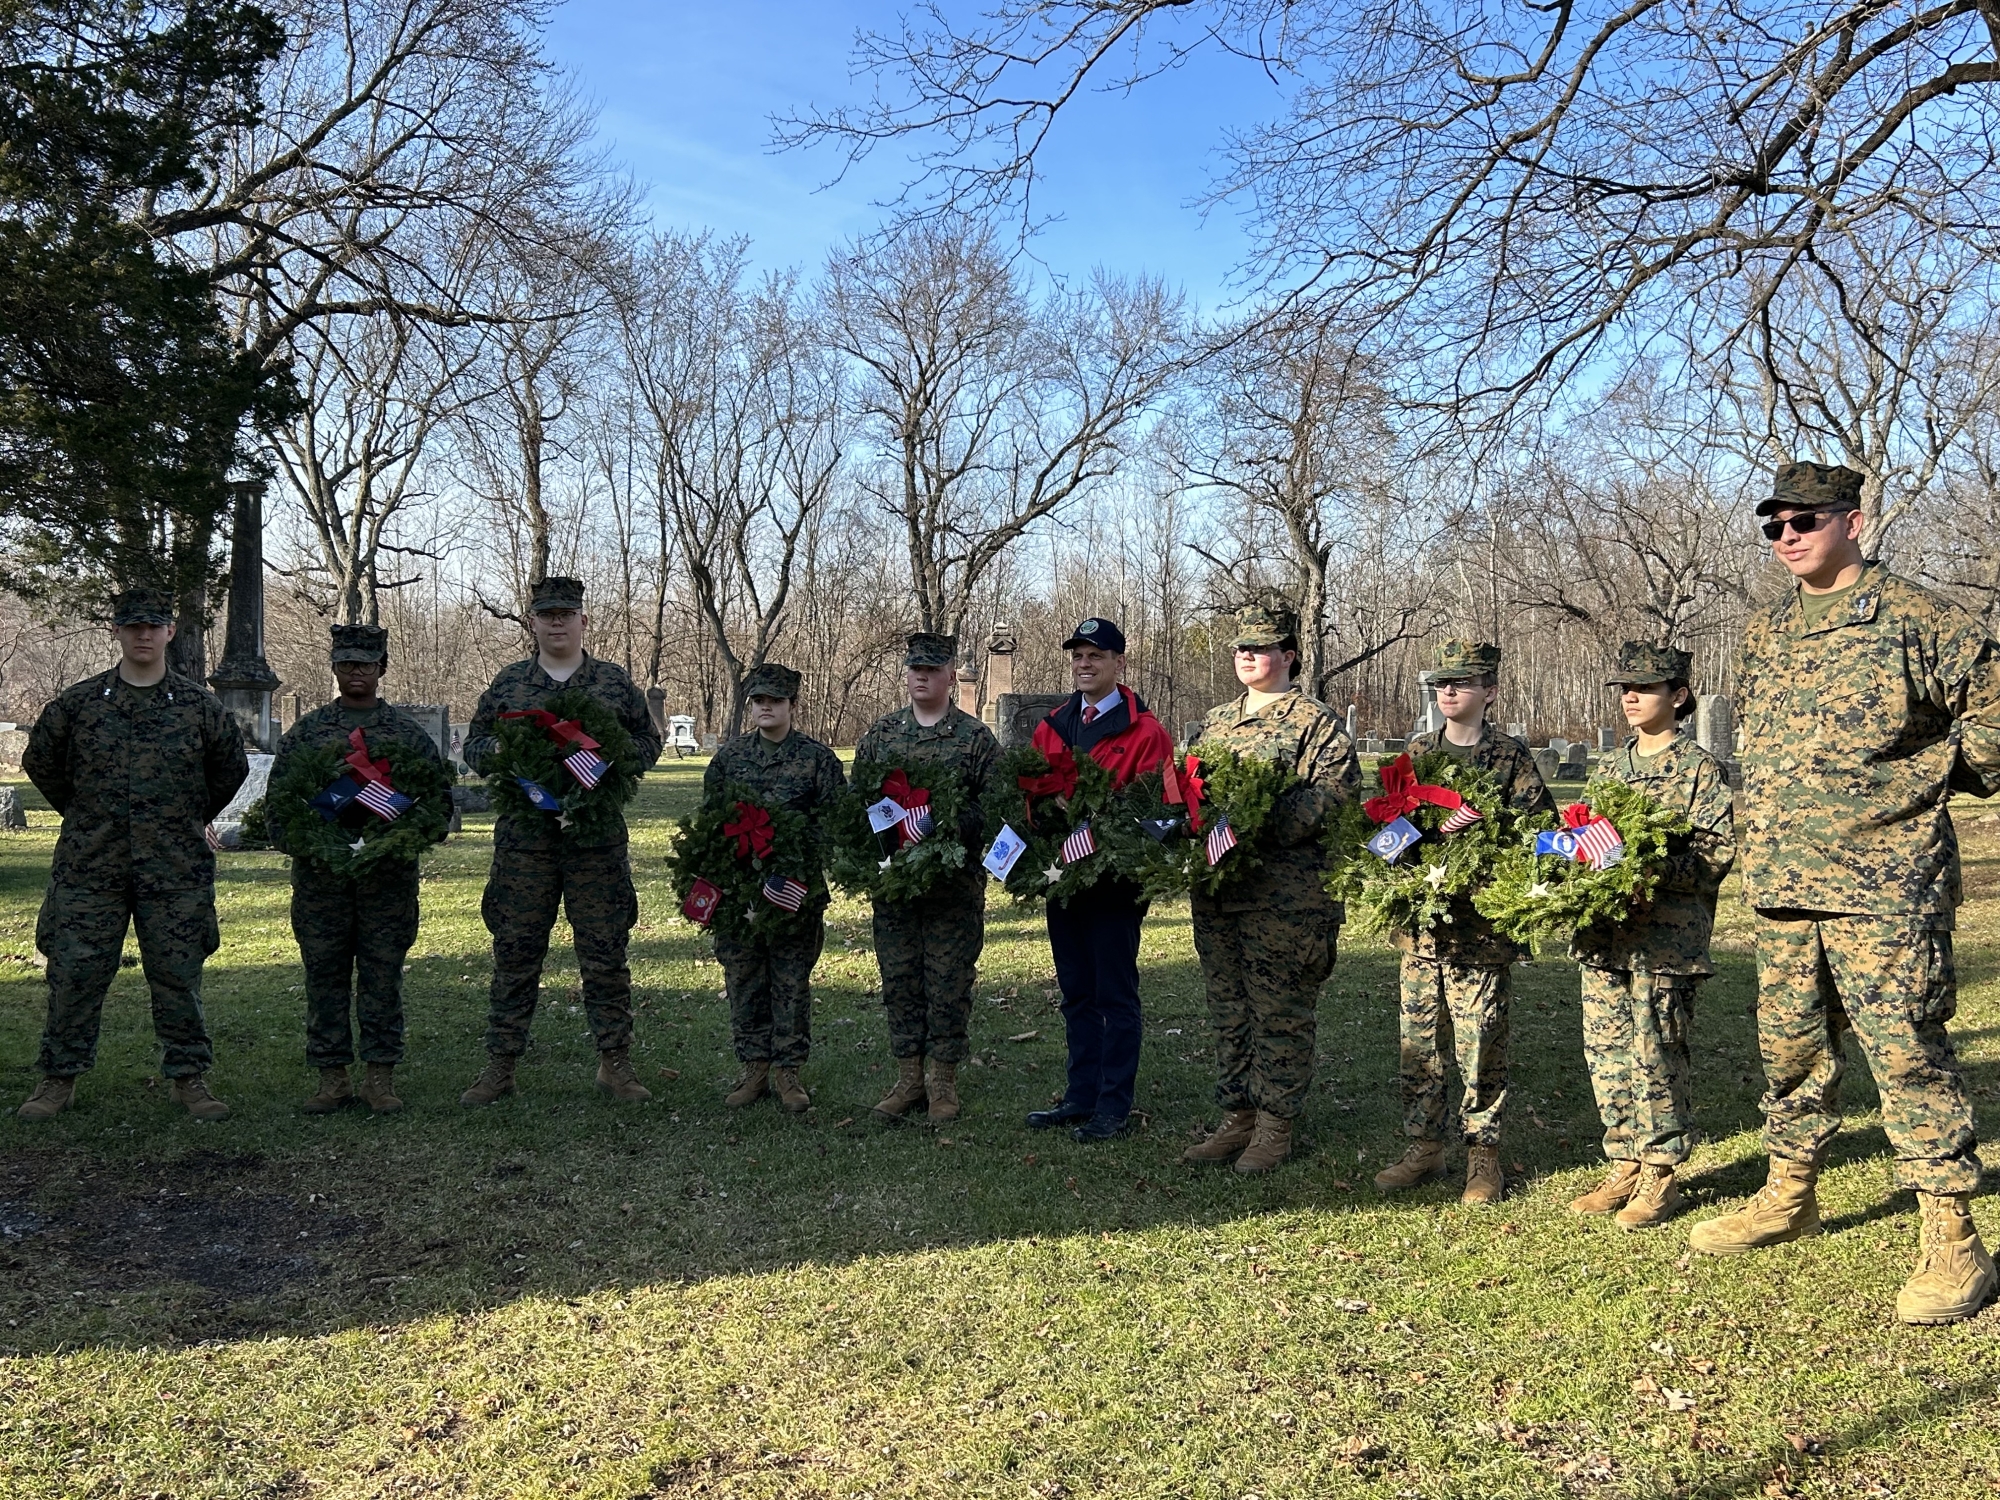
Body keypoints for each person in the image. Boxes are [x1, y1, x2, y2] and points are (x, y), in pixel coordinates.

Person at [1690, 461, 1998, 1325]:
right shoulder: (1765, 631)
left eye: (1805, 521)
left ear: (1852, 522)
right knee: (1789, 1050)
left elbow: (1993, 716)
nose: (1787, 536)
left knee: (1907, 1052)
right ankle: (1790, 1194)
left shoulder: (1921, 618)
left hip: (1887, 883)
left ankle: (1954, 1238)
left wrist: (1925, 781)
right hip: (1787, 879)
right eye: (1774, 525)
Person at [16, 588, 249, 1122]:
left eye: (153, 626)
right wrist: (85, 814)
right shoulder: (79, 704)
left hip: (174, 868)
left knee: (177, 975)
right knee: (74, 973)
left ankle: (189, 1078)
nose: (143, 635)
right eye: (132, 626)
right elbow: (42, 762)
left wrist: (184, 818)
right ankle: (58, 1079)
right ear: (116, 631)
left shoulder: (198, 707)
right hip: (90, 865)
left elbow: (229, 769)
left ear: (170, 632)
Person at [459, 578, 662, 1106]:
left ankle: (615, 1063)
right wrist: (506, 756)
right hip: (526, 839)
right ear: (532, 622)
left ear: (582, 621)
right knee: (515, 950)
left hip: (595, 840)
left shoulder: (612, 683)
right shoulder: (510, 684)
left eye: (566, 614)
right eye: (546, 614)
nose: (556, 623)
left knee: (604, 951)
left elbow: (647, 740)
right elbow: (475, 743)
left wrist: (611, 764)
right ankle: (500, 1065)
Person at [1373, 638, 1553, 1204]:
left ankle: (1483, 1155)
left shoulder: (1510, 757)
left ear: (1489, 691)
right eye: (1441, 683)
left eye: (1461, 682)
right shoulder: (1419, 753)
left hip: (1481, 931)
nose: (1448, 691)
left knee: (1480, 1044)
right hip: (1423, 931)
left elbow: (1538, 834)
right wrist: (1404, 845)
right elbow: (1386, 831)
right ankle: (1424, 1146)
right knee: (1420, 1043)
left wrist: (1485, 849)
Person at [1182, 603, 1360, 1174]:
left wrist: (1254, 822)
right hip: (1219, 892)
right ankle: (1238, 1115)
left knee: (1279, 1010)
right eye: (1240, 647)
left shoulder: (1316, 723)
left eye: (1258, 648)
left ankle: (1276, 1124)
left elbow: (1333, 797)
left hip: (1287, 898)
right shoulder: (1215, 722)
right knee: (1229, 1008)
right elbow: (1188, 787)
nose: (1246, 655)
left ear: (1287, 656)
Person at [1567, 642, 1734, 1229]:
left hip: (1665, 941)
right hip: (1604, 938)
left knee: (1656, 1054)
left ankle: (1661, 1171)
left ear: (1678, 695)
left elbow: (1716, 855)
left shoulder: (1699, 770)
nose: (1631, 698)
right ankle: (1625, 1160)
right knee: (1607, 1053)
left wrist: (1646, 868)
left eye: (1645, 688)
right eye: (1625, 689)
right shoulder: (1612, 768)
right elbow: (1582, 836)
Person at [267, 624, 448, 1115]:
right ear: (334, 667)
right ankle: (332, 1077)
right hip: (321, 881)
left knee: (382, 974)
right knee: (324, 974)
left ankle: (379, 1076)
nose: (356, 672)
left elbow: (436, 805)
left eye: (365, 664)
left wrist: (394, 841)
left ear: (382, 668)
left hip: (386, 880)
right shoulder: (308, 733)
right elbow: (280, 807)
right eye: (346, 663)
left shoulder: (406, 735)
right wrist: (315, 844)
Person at [1024, 617, 1173, 1142]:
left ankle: (1113, 1104)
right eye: (1078, 656)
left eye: (1096, 656)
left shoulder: (1145, 732)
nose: (1084, 664)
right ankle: (1080, 1095)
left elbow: (1159, 811)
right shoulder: (1054, 725)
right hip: (1062, 879)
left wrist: (1102, 823)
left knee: (1114, 995)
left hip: (1114, 886)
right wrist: (1045, 813)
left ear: (1119, 663)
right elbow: (1029, 792)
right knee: (1075, 992)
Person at [857, 633, 998, 1123]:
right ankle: (908, 1079)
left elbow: (995, 804)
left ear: (950, 674)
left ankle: (942, 1082)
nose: (922, 676)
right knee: (899, 980)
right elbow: (860, 802)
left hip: (952, 888)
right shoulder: (881, 735)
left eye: (932, 669)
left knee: (948, 983)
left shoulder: (975, 739)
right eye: (915, 668)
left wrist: (945, 823)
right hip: (895, 887)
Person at [704, 663, 846, 1112]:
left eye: (775, 700)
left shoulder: (817, 759)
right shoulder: (729, 759)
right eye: (759, 700)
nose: (766, 707)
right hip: (739, 890)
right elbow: (711, 821)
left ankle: (789, 1072)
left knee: (790, 981)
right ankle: (754, 1069)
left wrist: (791, 854)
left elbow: (835, 823)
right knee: (743, 978)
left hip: (794, 891)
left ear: (792, 705)